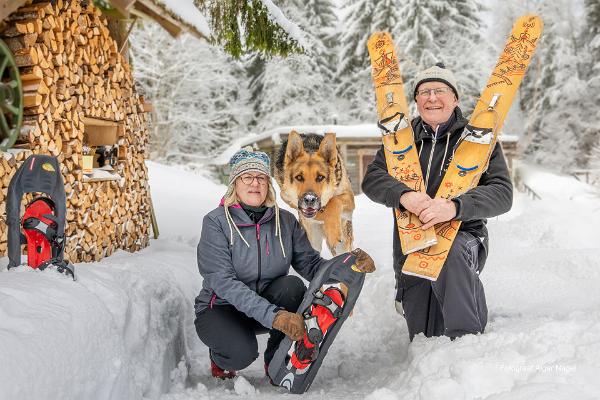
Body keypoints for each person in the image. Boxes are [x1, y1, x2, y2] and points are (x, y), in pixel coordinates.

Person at [194, 147, 375, 380]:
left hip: (267, 306)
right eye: (246, 177)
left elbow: (310, 263)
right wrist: (275, 316)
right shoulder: (215, 222)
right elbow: (223, 282)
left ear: (268, 184)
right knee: (240, 354)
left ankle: (277, 357)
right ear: (234, 184)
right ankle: (222, 354)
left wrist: (347, 269)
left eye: (261, 177)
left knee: (292, 287)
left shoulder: (285, 221)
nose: (255, 183)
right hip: (222, 308)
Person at [361, 63, 513, 340]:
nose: (432, 97)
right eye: (424, 92)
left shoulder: (478, 139)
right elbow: (372, 179)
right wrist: (405, 196)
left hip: (464, 237)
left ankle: (468, 344)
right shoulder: (401, 139)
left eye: (440, 90)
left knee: (451, 253)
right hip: (413, 243)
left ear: (455, 98)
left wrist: (455, 207)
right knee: (425, 337)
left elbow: (502, 193)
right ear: (416, 100)